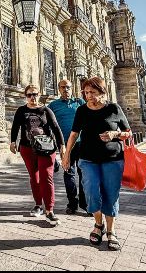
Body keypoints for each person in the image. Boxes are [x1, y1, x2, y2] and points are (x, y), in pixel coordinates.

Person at [63, 76, 131, 251]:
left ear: (102, 92)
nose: (89, 96)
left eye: (92, 92)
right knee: (91, 191)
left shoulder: (114, 108)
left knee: (111, 194)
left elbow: (128, 133)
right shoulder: (82, 110)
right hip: (88, 159)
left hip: (112, 159)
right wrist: (66, 155)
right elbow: (74, 134)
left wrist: (115, 134)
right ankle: (98, 224)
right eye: (86, 93)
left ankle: (111, 230)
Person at [11, 84, 65, 226]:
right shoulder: (21, 110)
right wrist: (13, 141)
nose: (32, 97)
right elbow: (15, 126)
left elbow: (56, 127)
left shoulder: (46, 110)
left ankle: (50, 210)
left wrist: (62, 145)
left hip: (45, 148)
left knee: (46, 177)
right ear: (26, 96)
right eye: (29, 95)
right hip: (27, 148)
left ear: (39, 95)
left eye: (35, 94)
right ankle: (38, 205)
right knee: (34, 178)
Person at [48, 79, 87, 215]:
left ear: (72, 88)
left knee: (84, 174)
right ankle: (72, 203)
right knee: (69, 173)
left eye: (68, 87)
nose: (66, 89)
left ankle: (85, 204)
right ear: (59, 89)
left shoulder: (79, 102)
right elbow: (48, 124)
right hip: (65, 146)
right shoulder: (53, 105)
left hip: (82, 143)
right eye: (63, 87)